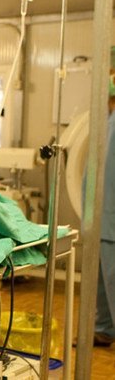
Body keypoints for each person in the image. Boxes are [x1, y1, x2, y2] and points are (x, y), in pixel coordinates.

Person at [94, 80, 115, 346]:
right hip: (102, 219)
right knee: (101, 280)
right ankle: (103, 327)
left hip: (110, 219)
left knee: (112, 279)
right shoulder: (108, 124)